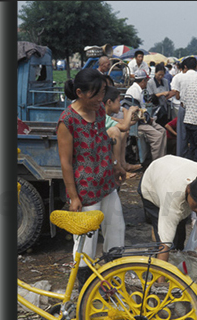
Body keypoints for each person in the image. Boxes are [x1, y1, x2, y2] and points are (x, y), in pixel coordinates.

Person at [56, 68, 126, 286]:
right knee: (86, 241)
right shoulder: (67, 121)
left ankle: (112, 279)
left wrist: (116, 165)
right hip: (85, 190)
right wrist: (73, 197)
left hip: (106, 183)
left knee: (116, 228)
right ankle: (84, 287)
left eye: (102, 93)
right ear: (79, 92)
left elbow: (104, 141)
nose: (100, 99)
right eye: (95, 95)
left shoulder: (99, 112)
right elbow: (66, 163)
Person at [138, 154, 197, 263]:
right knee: (166, 240)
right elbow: (164, 246)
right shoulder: (171, 200)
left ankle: (177, 259)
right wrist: (161, 279)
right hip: (151, 185)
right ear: (189, 190)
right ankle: (162, 269)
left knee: (179, 236)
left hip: (172, 166)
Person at [126, 70, 167, 163]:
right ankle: (156, 162)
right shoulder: (134, 91)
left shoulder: (140, 90)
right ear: (143, 81)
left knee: (163, 131)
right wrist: (149, 119)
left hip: (143, 120)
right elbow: (135, 113)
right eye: (146, 81)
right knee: (157, 136)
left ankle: (162, 158)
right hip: (137, 123)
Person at [103, 83, 141, 175]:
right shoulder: (103, 115)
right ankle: (118, 169)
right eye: (118, 101)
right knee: (116, 131)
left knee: (123, 133)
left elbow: (125, 125)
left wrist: (134, 118)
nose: (120, 104)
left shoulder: (108, 115)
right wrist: (129, 111)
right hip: (100, 145)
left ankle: (123, 165)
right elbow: (124, 126)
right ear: (109, 102)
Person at [170, 57, 197, 157]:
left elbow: (177, 96)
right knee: (194, 136)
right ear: (196, 66)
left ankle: (181, 158)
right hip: (196, 109)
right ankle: (194, 158)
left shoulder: (179, 77)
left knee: (182, 136)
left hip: (183, 107)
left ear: (185, 66)